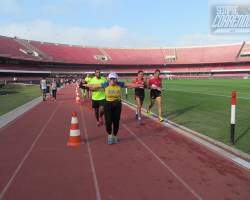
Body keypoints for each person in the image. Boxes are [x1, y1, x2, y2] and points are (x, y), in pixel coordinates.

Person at [84, 72, 143, 145]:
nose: (112, 80)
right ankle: (109, 135)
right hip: (108, 104)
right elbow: (94, 85)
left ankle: (115, 135)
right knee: (108, 122)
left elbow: (129, 85)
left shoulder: (119, 84)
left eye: (114, 79)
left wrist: (140, 85)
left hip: (117, 104)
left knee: (116, 122)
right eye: (111, 78)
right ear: (109, 79)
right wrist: (85, 85)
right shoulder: (105, 84)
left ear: (116, 79)